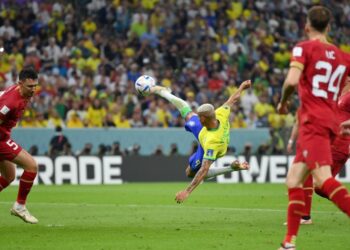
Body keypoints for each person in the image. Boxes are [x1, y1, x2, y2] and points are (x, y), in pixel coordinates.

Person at [277, 6, 350, 250]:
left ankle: (289, 242)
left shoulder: (303, 48)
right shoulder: (343, 57)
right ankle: (288, 243)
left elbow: (291, 81)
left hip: (313, 122)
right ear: (329, 27)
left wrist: (283, 100)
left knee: (323, 180)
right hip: (328, 122)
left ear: (307, 26)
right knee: (293, 179)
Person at [150, 79, 251, 203]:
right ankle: (164, 92)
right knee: (186, 111)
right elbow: (233, 99)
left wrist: (187, 191)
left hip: (210, 142)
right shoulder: (220, 113)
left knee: (190, 173)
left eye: (199, 116)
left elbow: (204, 169)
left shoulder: (212, 144)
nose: (197, 117)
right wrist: (242, 86)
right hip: (205, 131)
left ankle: (231, 168)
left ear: (203, 119)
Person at [0, 68, 39, 224]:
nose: (33, 90)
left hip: (3, 136)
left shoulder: (20, 92)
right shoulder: (10, 103)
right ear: (20, 83)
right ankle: (20, 206)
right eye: (30, 86)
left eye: (35, 85)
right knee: (31, 166)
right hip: (0, 140)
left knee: (9, 176)